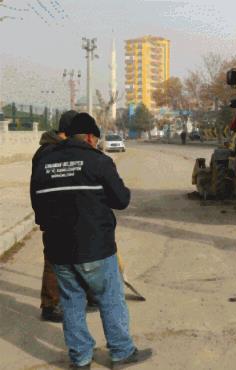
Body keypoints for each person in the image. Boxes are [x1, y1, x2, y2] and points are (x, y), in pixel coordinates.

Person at [30, 113, 152, 369]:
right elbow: (122, 200)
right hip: (96, 247)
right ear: (88, 136)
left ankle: (80, 358)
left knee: (72, 303)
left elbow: (38, 209)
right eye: (95, 139)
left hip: (59, 251)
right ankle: (121, 352)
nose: (96, 143)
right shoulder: (98, 161)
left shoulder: (44, 161)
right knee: (110, 298)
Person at [32, 110, 77, 322]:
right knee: (54, 259)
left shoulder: (48, 149)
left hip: (54, 213)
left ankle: (56, 301)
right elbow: (41, 186)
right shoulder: (50, 153)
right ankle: (51, 305)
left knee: (60, 257)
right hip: (55, 214)